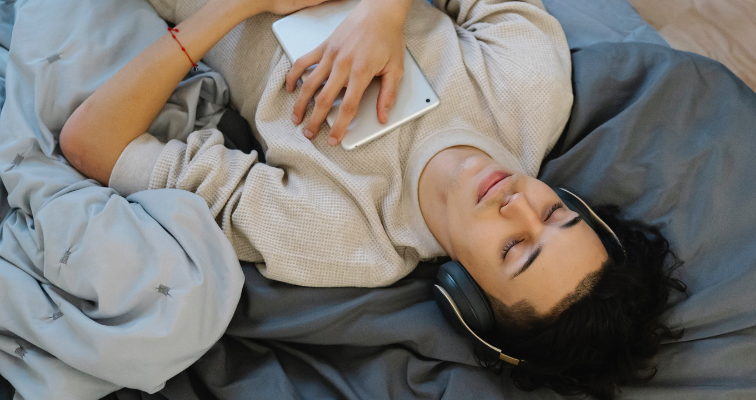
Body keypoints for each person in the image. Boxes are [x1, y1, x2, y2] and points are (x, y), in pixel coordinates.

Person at [59, 0, 684, 397]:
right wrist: (383, 12)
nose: (517, 204)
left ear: (468, 293)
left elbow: (93, 142)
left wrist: (233, 9)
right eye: (555, 212)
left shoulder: (344, 238)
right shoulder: (530, 92)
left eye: (516, 248)